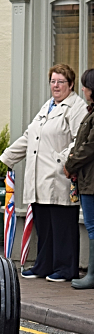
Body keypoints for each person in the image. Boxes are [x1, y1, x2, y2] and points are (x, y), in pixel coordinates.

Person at [0, 63, 88, 282]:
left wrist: (62, 159)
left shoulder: (76, 107)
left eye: (60, 82)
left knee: (62, 225)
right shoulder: (47, 106)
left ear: (71, 84)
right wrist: (8, 157)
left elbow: (80, 139)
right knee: (44, 225)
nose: (56, 86)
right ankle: (43, 265)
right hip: (39, 177)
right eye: (53, 81)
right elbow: (29, 136)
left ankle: (66, 268)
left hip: (60, 175)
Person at [65, 68, 94, 289]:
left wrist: (70, 164)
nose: (83, 89)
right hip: (87, 178)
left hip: (91, 180)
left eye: (84, 85)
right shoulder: (90, 112)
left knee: (93, 227)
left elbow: (88, 147)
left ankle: (92, 275)